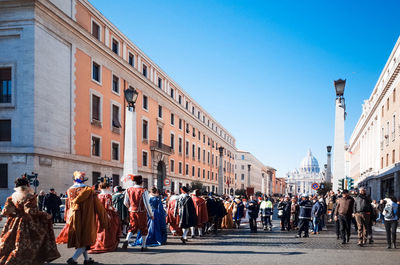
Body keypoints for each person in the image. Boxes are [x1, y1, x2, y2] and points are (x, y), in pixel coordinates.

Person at [0, 176, 60, 265]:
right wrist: (45, 214)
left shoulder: (11, 197)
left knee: (11, 242)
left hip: (14, 222)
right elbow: (31, 211)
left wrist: (14, 214)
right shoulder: (30, 196)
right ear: (27, 185)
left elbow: (6, 211)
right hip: (27, 222)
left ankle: (9, 259)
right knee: (26, 243)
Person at [56, 171, 108, 265]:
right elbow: (98, 205)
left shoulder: (69, 190)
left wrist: (67, 217)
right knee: (86, 238)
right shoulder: (88, 190)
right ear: (84, 180)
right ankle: (73, 259)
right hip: (86, 217)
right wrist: (103, 216)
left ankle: (86, 259)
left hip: (74, 217)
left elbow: (68, 206)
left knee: (82, 239)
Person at [122, 175, 154, 251]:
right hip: (141, 212)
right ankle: (143, 246)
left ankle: (127, 240)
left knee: (132, 227)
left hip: (132, 211)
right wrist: (151, 214)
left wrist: (130, 207)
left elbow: (125, 202)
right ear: (141, 182)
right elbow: (147, 203)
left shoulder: (128, 190)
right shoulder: (143, 190)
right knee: (144, 228)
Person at [89, 182, 121, 253]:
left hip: (98, 214)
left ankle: (98, 242)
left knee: (99, 229)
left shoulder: (98, 195)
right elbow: (108, 206)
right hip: (107, 214)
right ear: (107, 187)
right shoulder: (108, 195)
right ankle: (106, 243)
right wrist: (115, 210)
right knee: (108, 230)